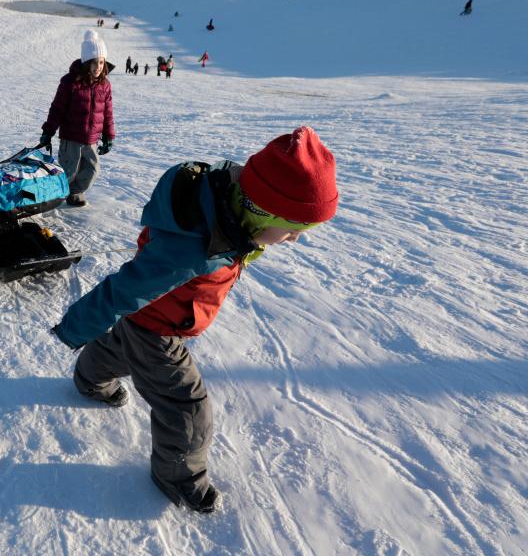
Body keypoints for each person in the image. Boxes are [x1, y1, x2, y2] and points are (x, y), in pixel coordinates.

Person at [51, 126, 338, 514]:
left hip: (156, 315)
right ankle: (178, 475)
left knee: (122, 346)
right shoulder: (194, 247)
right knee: (186, 407)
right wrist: (75, 326)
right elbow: (124, 290)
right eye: (292, 231)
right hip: (158, 325)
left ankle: (89, 379)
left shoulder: (227, 206)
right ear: (261, 211)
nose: (294, 240)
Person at [39, 30, 115, 207]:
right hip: (71, 138)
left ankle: (75, 191)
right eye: (94, 62)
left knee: (92, 170)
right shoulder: (70, 83)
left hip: (91, 140)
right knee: (69, 171)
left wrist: (108, 135)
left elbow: (108, 112)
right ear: (86, 62)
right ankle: (56, 194)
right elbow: (57, 109)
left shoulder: (105, 85)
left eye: (102, 62)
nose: (98, 67)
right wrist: (48, 132)